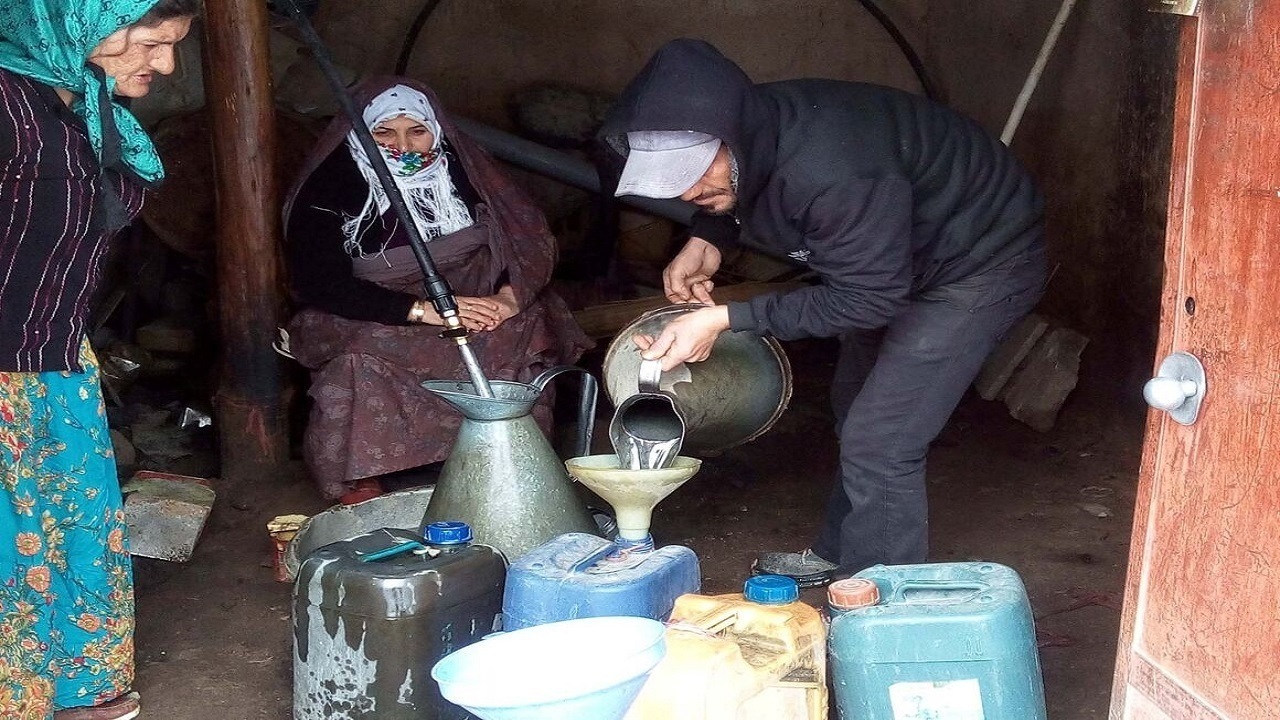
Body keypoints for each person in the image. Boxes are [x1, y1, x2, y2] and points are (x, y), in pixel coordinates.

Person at [599, 39, 1047, 586]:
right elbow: (747, 191)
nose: (687, 190)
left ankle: (879, 599)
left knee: (882, 439)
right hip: (893, 257)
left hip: (978, 261)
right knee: (854, 406)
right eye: (671, 179)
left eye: (695, 172)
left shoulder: (835, 172)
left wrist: (724, 319)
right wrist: (707, 235)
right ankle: (842, 553)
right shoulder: (754, 135)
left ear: (733, 137)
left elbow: (869, 299)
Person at [0, 1, 199, 718]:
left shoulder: (75, 101)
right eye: (151, 43)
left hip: (54, 357)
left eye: (173, 45)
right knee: (10, 541)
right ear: (80, 23)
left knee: (70, 526)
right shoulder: (4, 101)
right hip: (4, 369)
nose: (166, 64)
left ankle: (72, 686)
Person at [284, 78, 592, 505]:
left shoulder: (468, 171)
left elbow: (529, 239)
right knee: (359, 357)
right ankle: (359, 475)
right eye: (384, 133)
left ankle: (509, 459)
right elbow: (320, 283)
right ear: (361, 135)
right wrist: (421, 310)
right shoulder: (329, 188)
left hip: (473, 295)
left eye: (417, 131)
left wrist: (506, 300)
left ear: (436, 129)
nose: (404, 146)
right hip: (376, 309)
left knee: (526, 326)